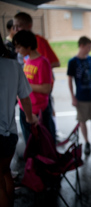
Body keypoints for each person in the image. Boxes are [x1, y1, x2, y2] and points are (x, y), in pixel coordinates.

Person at [0, 33, 38, 207]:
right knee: (5, 172)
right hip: (10, 134)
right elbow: (25, 98)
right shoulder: (14, 66)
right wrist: (30, 117)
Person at [13, 12, 60, 140]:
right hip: (27, 106)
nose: (17, 51)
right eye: (14, 26)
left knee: (42, 139)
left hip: (38, 107)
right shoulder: (27, 59)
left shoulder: (41, 59)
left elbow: (46, 87)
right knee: (31, 141)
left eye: (19, 26)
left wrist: (24, 85)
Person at [67, 36, 91, 155]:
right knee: (82, 121)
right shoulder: (72, 62)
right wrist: (73, 97)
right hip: (81, 97)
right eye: (88, 47)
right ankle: (86, 142)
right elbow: (70, 80)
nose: (90, 50)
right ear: (81, 46)